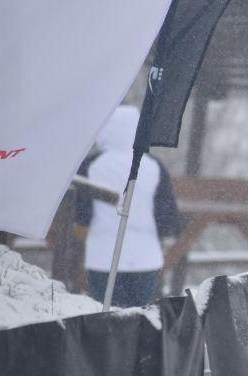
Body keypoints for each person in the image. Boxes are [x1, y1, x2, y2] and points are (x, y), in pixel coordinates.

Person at [75, 105, 180, 307]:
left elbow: (81, 218)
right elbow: (167, 218)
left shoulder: (91, 166)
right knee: (140, 316)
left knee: (107, 315)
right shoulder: (154, 166)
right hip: (146, 258)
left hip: (103, 258)